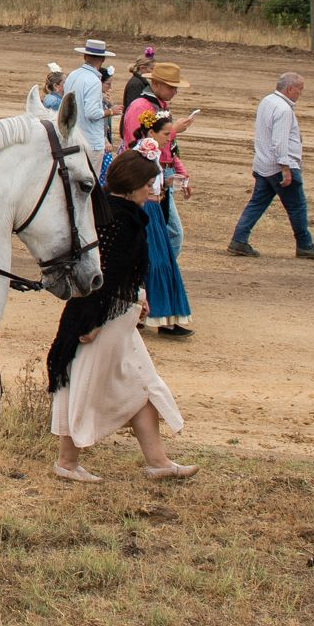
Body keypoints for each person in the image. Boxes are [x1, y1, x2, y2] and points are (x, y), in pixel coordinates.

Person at [49, 149, 197, 484]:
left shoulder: (117, 214)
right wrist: (92, 321)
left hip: (117, 317)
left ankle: (157, 462)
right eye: (147, 184)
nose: (152, 190)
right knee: (86, 384)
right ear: (131, 187)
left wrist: (137, 298)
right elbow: (103, 276)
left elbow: (122, 274)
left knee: (141, 383)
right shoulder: (119, 220)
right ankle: (67, 463)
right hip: (104, 321)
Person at [120, 70, 198, 333]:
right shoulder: (146, 125)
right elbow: (140, 147)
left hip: (151, 196)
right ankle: (151, 310)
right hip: (148, 202)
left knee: (156, 252)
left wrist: (175, 175)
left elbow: (163, 151)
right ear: (156, 84)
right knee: (159, 252)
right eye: (171, 87)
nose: (175, 92)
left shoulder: (155, 113)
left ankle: (146, 309)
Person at [230, 73, 314, 257]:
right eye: (300, 89)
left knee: (256, 204)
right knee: (297, 206)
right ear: (290, 89)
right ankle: (305, 245)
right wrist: (286, 168)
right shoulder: (283, 109)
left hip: (263, 164)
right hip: (278, 166)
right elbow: (280, 141)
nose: (301, 93)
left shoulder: (267, 101)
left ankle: (238, 240)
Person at [60, 40, 113, 158]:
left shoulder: (73, 75)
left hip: (72, 137)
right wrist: (111, 111)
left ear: (85, 56)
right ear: (103, 59)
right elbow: (92, 113)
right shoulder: (94, 81)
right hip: (90, 142)